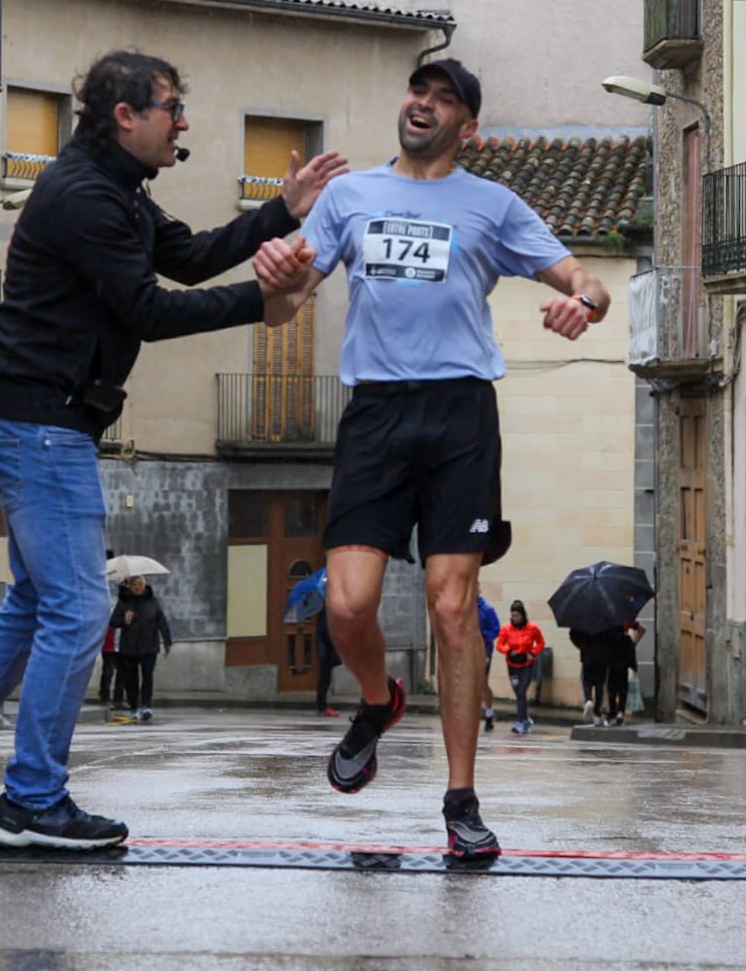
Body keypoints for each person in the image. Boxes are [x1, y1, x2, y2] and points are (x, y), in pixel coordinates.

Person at [0, 49, 347, 850]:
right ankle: (31, 799)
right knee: (80, 607)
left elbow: (192, 255)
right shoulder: (84, 198)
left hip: (35, 420)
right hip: (39, 425)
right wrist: (266, 302)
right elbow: (148, 311)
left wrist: (282, 211)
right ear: (124, 115)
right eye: (171, 106)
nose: (184, 122)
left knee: (37, 602)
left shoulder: (116, 192)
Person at [258, 57, 611, 861]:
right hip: (376, 412)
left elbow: (587, 280)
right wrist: (277, 276)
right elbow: (284, 309)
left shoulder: (493, 205)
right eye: (419, 91)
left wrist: (582, 303)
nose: (423, 104)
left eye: (444, 98)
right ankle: (379, 702)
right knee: (346, 604)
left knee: (453, 609)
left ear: (468, 126)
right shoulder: (349, 198)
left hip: (459, 414)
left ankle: (460, 800)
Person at [110, 575, 172, 721]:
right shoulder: (124, 602)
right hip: (129, 647)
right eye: (134, 585)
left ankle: (146, 706)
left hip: (149, 646)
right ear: (130, 587)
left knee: (147, 677)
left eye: (140, 584)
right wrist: (125, 620)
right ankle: (134, 707)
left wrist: (167, 641)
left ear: (144, 585)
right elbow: (113, 622)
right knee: (131, 680)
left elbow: (161, 621)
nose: (137, 587)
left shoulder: (152, 601)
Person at [495, 600, 545, 734]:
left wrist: (533, 653)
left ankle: (519, 722)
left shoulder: (532, 628)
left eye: (517, 616)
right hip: (512, 665)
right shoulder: (506, 629)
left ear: (523, 615)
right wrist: (508, 650)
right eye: (513, 616)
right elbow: (499, 645)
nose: (515, 618)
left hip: (527, 665)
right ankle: (526, 719)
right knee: (518, 693)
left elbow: (540, 643)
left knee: (522, 691)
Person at [570, 625, 627, 727]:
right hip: (603, 658)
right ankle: (597, 714)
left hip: (587, 656)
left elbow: (573, 634)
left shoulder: (584, 621)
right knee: (599, 685)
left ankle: (588, 699)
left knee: (586, 680)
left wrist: (583, 646)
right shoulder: (607, 622)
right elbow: (614, 638)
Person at [476, 596, 500, 731]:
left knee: (483, 683)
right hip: (468, 650)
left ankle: (489, 712)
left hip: (484, 650)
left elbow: (496, 629)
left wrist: (483, 636)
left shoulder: (487, 609)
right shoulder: (466, 608)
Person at [315, 610, 343, 717]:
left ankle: (322, 706)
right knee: (325, 678)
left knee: (326, 678)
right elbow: (323, 632)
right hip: (326, 650)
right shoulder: (324, 613)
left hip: (328, 648)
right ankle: (322, 706)